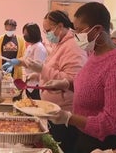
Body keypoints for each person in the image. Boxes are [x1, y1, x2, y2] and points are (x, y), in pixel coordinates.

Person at [45, 2, 116, 153]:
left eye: (79, 30)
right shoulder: (95, 54)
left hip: (104, 144)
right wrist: (66, 84)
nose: (75, 35)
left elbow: (113, 123)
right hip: (85, 135)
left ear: (98, 30)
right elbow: (92, 86)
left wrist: (68, 118)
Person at [24, 10, 87, 153]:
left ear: (59, 26)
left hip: (65, 114)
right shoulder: (60, 43)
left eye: (48, 30)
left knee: (63, 148)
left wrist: (42, 70)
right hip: (54, 110)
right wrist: (38, 74)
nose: (46, 35)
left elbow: (73, 80)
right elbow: (55, 68)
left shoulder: (73, 46)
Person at [4, 22, 46, 99]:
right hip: (29, 83)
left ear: (32, 34)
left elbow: (40, 68)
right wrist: (14, 61)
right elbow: (25, 59)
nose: (24, 36)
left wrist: (31, 75)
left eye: (26, 34)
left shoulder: (39, 48)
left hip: (36, 84)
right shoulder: (30, 46)